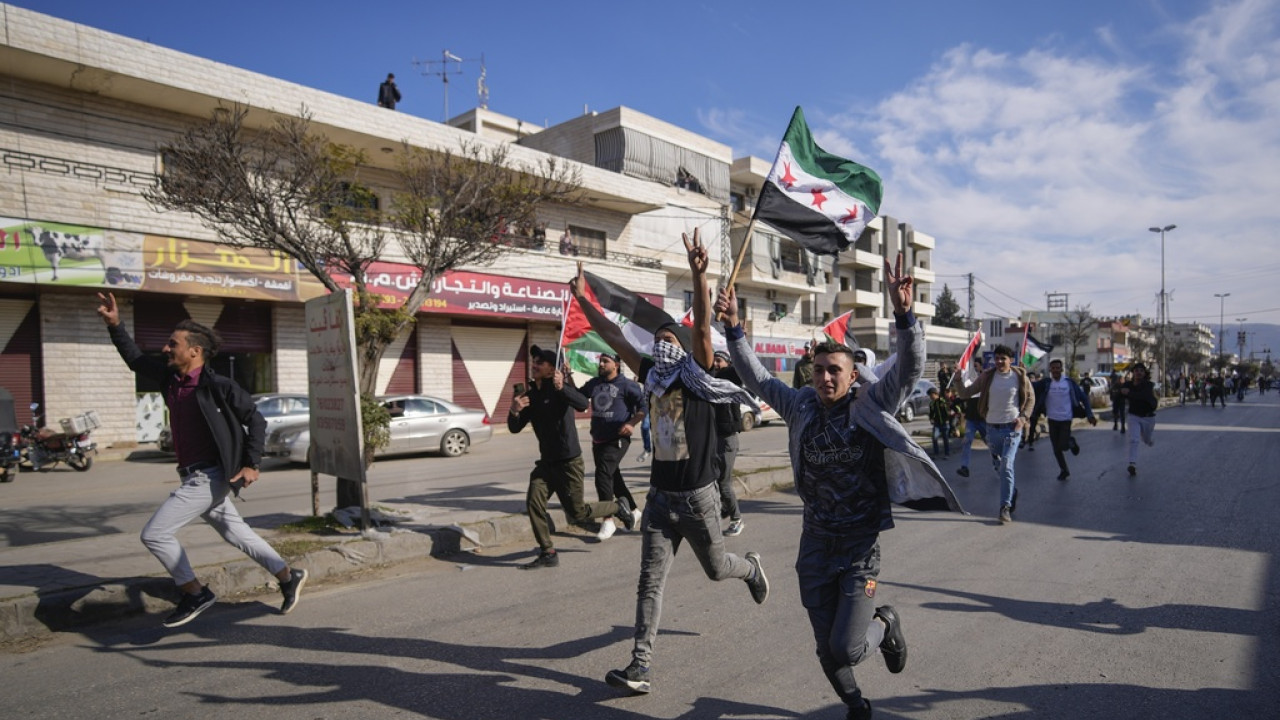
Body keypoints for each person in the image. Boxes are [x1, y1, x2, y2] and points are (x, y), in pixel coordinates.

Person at [718, 252, 963, 720]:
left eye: (837, 370)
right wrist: (734, 331)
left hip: (858, 549)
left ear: (852, 375)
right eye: (820, 369)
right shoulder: (800, 406)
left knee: (847, 648)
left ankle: (885, 623)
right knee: (824, 649)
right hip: (815, 545)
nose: (827, 377)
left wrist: (906, 315)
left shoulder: (869, 405)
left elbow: (910, 369)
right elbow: (758, 378)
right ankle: (857, 704)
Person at [569, 230, 769, 696]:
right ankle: (639, 666)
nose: (659, 344)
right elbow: (613, 334)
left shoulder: (696, 377)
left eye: (666, 338)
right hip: (660, 501)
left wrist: (700, 275)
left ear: (683, 347)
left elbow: (701, 326)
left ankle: (752, 569)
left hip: (699, 499)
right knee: (649, 584)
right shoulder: (652, 377)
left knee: (718, 569)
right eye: (656, 339)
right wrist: (584, 301)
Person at [95, 292, 307, 628]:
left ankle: (194, 592)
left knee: (155, 534)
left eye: (172, 343)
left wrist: (252, 463)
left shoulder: (219, 386)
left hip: (211, 476)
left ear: (194, 351)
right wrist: (116, 325)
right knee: (236, 532)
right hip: (190, 474)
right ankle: (287, 574)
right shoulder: (172, 381)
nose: (166, 349)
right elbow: (135, 360)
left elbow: (256, 420)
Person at [507, 345, 635, 568]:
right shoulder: (530, 395)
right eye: (534, 361)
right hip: (546, 464)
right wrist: (514, 410)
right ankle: (548, 552)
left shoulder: (560, 390)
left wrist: (562, 386)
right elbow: (515, 428)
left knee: (577, 513)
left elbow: (583, 404)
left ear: (551, 369)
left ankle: (617, 507)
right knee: (533, 503)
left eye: (540, 362)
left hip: (569, 463)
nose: (534, 365)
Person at [955, 344, 1034, 524]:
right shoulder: (987, 376)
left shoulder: (1020, 376)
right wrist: (958, 380)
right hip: (992, 429)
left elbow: (1031, 399)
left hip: (1012, 428)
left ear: (1010, 359)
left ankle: (1004, 507)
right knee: (1000, 467)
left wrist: (1023, 418)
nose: (999, 361)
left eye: (1003, 358)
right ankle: (1012, 491)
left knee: (1006, 465)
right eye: (996, 358)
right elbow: (965, 394)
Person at [581, 352, 645, 541]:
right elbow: (578, 396)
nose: (601, 364)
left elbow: (644, 407)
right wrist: (566, 377)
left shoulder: (627, 385)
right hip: (598, 438)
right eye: (600, 361)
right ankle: (633, 510)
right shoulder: (595, 383)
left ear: (616, 364)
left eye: (605, 361)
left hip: (617, 438)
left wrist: (632, 423)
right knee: (612, 475)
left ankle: (607, 519)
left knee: (602, 474)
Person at [1033, 359, 1097, 481]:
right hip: (1052, 419)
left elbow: (1084, 398)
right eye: (1053, 368)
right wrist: (1021, 373)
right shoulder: (1046, 383)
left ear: (1061, 369)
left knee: (1062, 445)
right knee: (1056, 448)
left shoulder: (1069, 383)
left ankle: (1070, 441)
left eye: (1058, 368)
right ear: (1050, 370)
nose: (1055, 370)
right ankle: (1064, 470)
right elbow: (1031, 386)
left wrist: (1090, 415)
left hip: (1065, 419)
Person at [711, 349, 746, 536]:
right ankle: (725, 509)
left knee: (724, 483)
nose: (715, 364)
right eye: (713, 360)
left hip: (727, 439)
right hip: (714, 438)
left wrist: (739, 346)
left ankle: (737, 519)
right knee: (714, 481)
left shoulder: (730, 377)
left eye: (719, 361)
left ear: (728, 363)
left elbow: (739, 369)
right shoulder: (712, 381)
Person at [1120, 362, 1158, 477]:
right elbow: (1118, 395)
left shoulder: (1148, 385)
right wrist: (1120, 392)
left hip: (1148, 417)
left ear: (1144, 373)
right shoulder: (1127, 385)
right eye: (1136, 370)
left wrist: (1129, 393)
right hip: (1134, 416)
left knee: (1146, 439)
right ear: (1133, 373)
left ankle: (1148, 439)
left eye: (1141, 371)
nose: (1138, 373)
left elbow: (1142, 395)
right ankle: (1132, 464)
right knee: (1134, 440)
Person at [955, 394, 987, 478]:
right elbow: (963, 395)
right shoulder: (970, 387)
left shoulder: (983, 385)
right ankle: (964, 467)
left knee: (990, 442)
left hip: (983, 420)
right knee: (966, 441)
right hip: (971, 421)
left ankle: (998, 462)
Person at [926, 387, 950, 459]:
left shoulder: (942, 401)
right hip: (937, 424)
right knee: (935, 438)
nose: (931, 397)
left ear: (936, 394)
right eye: (930, 396)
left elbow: (947, 411)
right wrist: (931, 419)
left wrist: (947, 419)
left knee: (945, 439)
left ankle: (947, 454)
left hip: (944, 423)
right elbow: (931, 413)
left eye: (931, 395)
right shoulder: (932, 404)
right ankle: (936, 453)